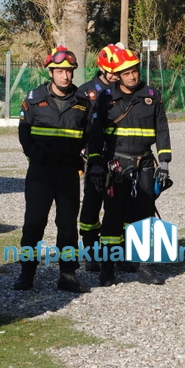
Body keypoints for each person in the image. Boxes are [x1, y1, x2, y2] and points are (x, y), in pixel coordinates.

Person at [87, 45, 172, 287]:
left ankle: (144, 268)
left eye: (134, 70)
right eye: (126, 73)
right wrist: (95, 164)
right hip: (116, 165)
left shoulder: (152, 95)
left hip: (144, 163)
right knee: (113, 218)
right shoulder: (105, 98)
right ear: (117, 75)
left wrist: (164, 162)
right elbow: (95, 135)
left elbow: (162, 129)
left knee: (144, 217)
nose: (132, 76)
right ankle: (107, 269)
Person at [13, 46, 92, 293]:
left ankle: (68, 275)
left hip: (68, 172)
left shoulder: (82, 102)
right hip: (41, 172)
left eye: (69, 71)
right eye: (60, 71)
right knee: (34, 224)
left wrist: (82, 157)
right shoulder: (34, 99)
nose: (65, 76)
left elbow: (88, 135)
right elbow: (24, 134)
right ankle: (27, 273)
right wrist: (37, 156)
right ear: (51, 72)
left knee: (68, 226)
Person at [77, 44, 121, 272]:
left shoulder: (125, 90)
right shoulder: (85, 92)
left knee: (120, 206)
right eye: (112, 71)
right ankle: (91, 251)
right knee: (91, 206)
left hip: (120, 158)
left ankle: (117, 254)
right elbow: (78, 125)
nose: (116, 75)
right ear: (102, 69)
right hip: (94, 158)